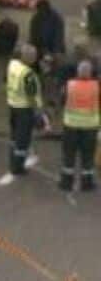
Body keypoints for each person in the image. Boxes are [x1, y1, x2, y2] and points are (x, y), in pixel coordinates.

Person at [59, 60, 99, 192]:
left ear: (78, 72)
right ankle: (86, 183)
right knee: (87, 156)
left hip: (71, 125)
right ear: (90, 73)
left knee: (69, 154)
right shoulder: (97, 86)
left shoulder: (69, 85)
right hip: (90, 127)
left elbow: (62, 101)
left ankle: (66, 182)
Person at [5, 44, 42, 178]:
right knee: (23, 139)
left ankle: (12, 158)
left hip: (13, 104)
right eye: (34, 56)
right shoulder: (28, 74)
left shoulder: (13, 64)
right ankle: (17, 166)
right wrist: (37, 111)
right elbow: (31, 95)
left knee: (15, 136)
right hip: (24, 109)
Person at [29, 0, 66, 73]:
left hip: (53, 48)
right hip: (40, 46)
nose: (40, 12)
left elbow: (59, 37)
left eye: (42, 10)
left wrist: (55, 51)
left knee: (55, 60)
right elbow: (33, 36)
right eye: (39, 10)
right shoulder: (35, 19)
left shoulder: (57, 19)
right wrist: (40, 48)